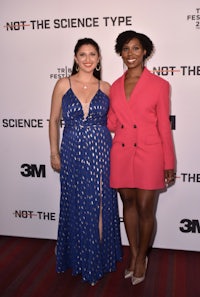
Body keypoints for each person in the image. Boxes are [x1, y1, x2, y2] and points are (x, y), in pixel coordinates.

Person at [49, 38, 122, 285]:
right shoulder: (62, 84)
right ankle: (75, 255)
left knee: (100, 203)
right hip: (71, 152)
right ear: (75, 58)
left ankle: (96, 259)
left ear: (99, 59)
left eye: (93, 54)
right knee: (76, 203)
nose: (88, 59)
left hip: (101, 151)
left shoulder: (107, 87)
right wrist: (53, 153)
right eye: (83, 54)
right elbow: (53, 120)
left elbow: (118, 121)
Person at [107, 30, 176, 285]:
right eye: (125, 49)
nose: (130, 54)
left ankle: (142, 257)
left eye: (136, 48)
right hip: (122, 151)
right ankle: (134, 253)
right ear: (120, 53)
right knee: (129, 205)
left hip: (150, 152)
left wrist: (169, 163)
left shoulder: (159, 85)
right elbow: (113, 122)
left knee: (146, 208)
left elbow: (164, 127)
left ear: (145, 51)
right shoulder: (114, 87)